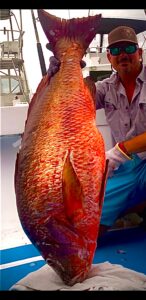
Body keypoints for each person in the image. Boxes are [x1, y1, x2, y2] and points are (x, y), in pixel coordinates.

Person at [46, 25, 146, 233]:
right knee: (84, 220)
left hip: (129, 158)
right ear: (109, 57)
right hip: (127, 166)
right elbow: (69, 103)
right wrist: (60, 71)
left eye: (129, 49)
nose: (123, 55)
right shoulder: (104, 88)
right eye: (116, 51)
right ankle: (129, 208)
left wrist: (120, 151)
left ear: (140, 52)